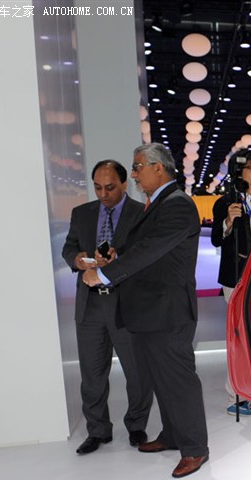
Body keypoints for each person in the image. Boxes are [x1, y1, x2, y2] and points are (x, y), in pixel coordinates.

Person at [82, 143, 209, 478]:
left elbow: (152, 249)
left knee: (178, 381)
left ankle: (195, 448)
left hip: (168, 312)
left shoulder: (178, 203)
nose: (135, 175)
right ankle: (172, 435)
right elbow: (143, 248)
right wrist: (117, 256)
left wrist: (105, 274)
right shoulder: (160, 203)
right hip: (150, 311)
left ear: (158, 168)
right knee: (160, 379)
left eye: (138, 167)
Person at [61, 160, 153, 455]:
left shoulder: (142, 213)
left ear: (124, 184)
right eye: (98, 188)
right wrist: (77, 259)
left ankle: (136, 425)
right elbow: (69, 247)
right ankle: (97, 431)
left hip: (127, 305)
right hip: (90, 305)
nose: (103, 194)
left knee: (137, 372)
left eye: (110, 188)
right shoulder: (81, 213)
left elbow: (147, 255)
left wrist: (119, 260)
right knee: (92, 374)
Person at [211, 150, 251, 417]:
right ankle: (236, 392)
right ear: (238, 172)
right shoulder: (225, 203)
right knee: (239, 337)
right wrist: (228, 222)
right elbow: (216, 240)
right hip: (235, 278)